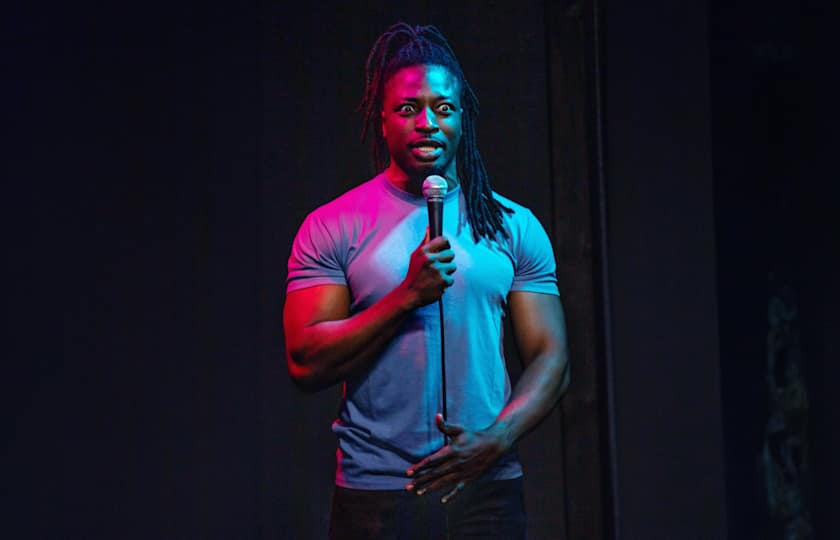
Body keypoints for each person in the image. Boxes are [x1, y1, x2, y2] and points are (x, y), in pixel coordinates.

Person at [283, 22, 569, 540]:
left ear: (462, 118)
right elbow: (305, 360)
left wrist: (497, 438)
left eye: (444, 108)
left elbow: (552, 357)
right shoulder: (333, 225)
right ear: (382, 119)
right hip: (376, 495)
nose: (428, 123)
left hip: (486, 486)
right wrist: (405, 297)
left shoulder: (513, 225)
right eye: (408, 108)